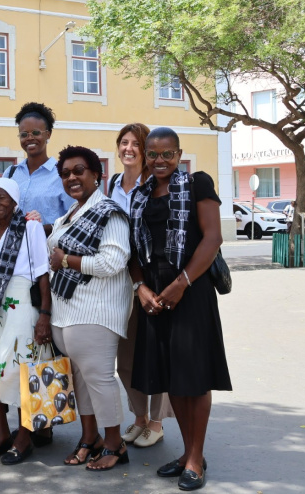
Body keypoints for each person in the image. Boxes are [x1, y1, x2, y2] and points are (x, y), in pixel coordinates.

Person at [129, 127, 232, 491]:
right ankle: (190, 452)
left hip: (191, 291)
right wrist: (141, 289)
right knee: (172, 377)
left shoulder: (197, 184)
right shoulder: (140, 195)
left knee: (195, 377)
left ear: (179, 154)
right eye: (153, 155)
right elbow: (134, 253)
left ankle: (195, 459)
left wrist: (180, 284)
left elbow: (212, 238)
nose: (160, 161)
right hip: (155, 298)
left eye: (167, 154)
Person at [45, 146, 132, 471]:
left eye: (79, 170)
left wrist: (68, 260)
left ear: (96, 174)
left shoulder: (109, 212)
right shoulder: (68, 215)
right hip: (66, 313)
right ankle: (89, 437)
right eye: (66, 173)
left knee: (99, 379)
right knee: (80, 380)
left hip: (96, 312)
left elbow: (113, 261)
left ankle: (114, 443)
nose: (72, 177)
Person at [0, 178, 50, 466]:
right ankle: (2, 434)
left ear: (14, 200)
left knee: (21, 373)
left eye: (0, 198)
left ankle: (24, 437)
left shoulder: (30, 228)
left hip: (20, 308)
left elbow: (42, 274)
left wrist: (44, 315)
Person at [109, 123, 175, 449]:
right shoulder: (112, 184)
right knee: (126, 357)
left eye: (137, 143)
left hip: (155, 280)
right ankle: (137, 416)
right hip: (120, 283)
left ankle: (156, 421)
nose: (129, 148)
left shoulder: (158, 183)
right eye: (124, 142)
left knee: (159, 353)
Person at [3, 102, 74, 235]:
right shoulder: (10, 174)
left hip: (48, 252)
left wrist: (37, 229)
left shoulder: (62, 175)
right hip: (13, 251)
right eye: (24, 134)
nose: (30, 138)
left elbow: (74, 220)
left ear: (48, 134)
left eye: (36, 133)